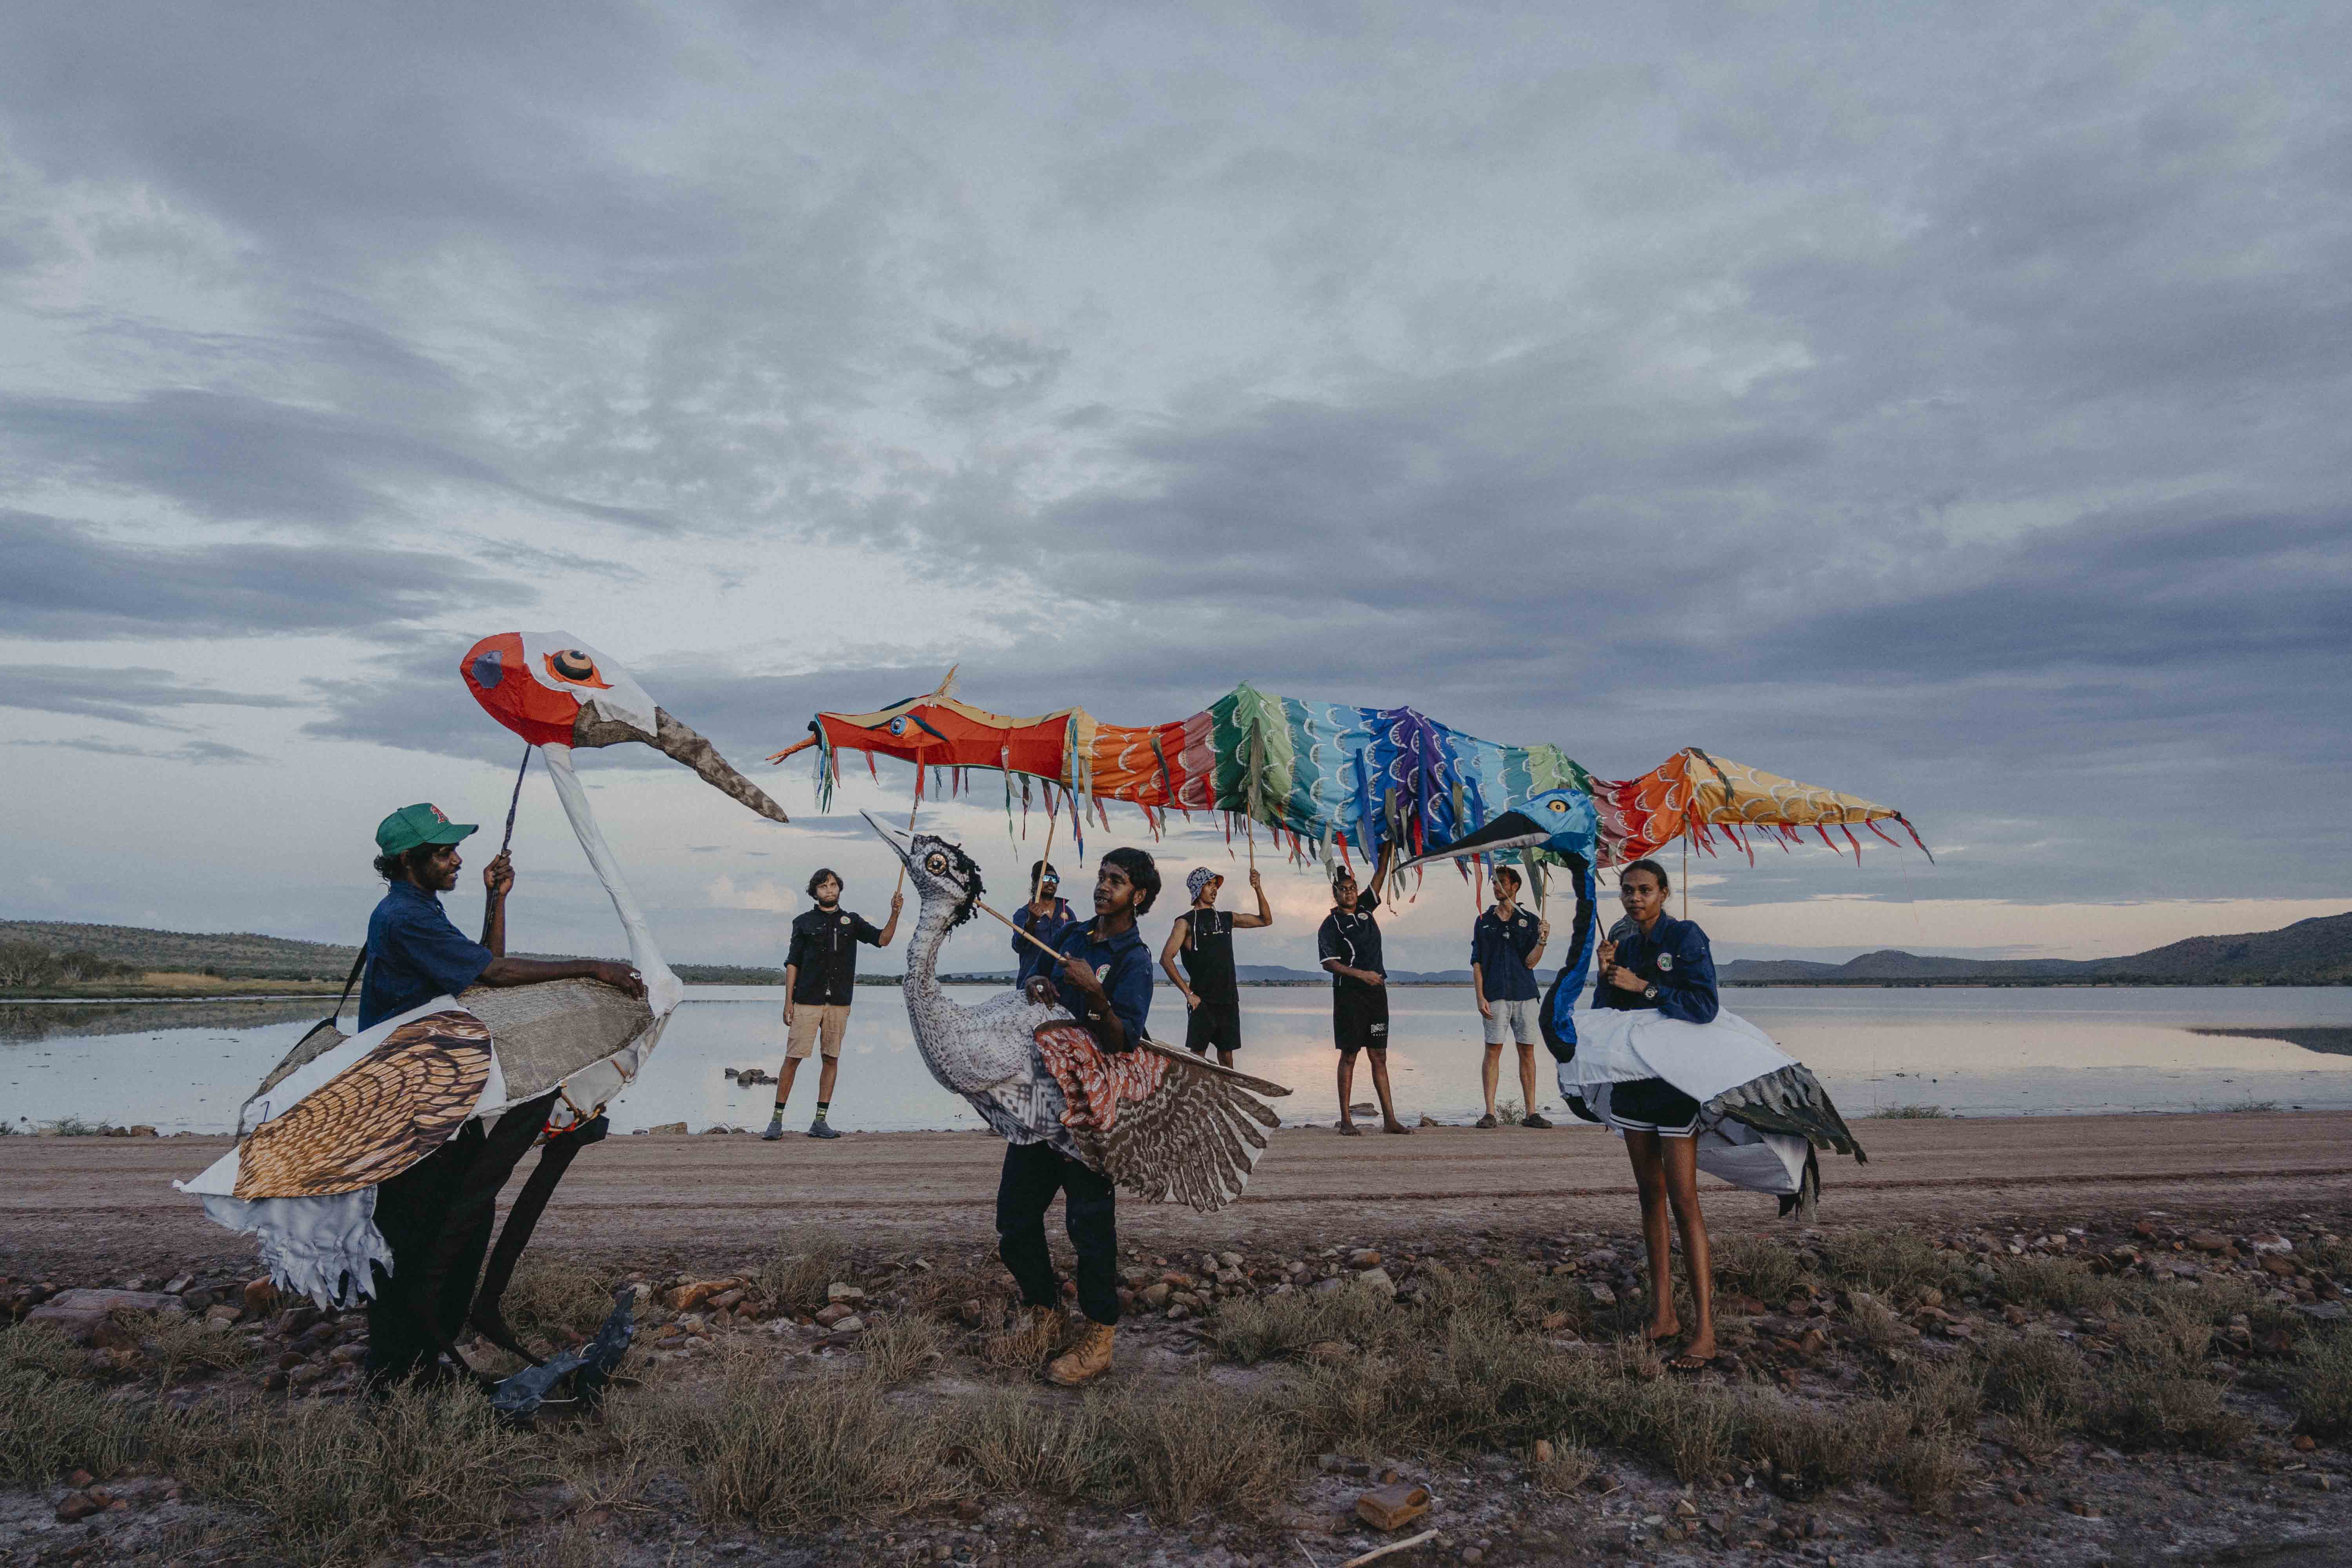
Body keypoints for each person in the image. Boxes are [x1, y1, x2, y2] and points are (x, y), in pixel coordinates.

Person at [360, 802, 646, 1391]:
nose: (457, 858)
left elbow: (480, 969)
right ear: (410, 861)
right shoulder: (404, 918)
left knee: (461, 1219)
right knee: (419, 1236)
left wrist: (497, 899)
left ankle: (424, 1359)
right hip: (408, 1105)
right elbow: (497, 978)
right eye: (444, 852)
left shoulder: (420, 910)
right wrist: (594, 968)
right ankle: (395, 1373)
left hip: (434, 1096)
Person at [1006, 845, 1160, 1386]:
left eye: (1116, 881)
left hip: (1093, 1118)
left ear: (1137, 896)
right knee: (1014, 1218)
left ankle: (1099, 1338)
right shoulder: (1072, 937)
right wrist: (1039, 984)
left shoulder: (1135, 961)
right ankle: (1046, 1312)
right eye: (1101, 877)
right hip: (1042, 1103)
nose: (1103, 886)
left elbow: (1122, 1042)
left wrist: (1095, 993)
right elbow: (1038, 987)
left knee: (1089, 1227)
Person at [1592, 857, 1722, 1371]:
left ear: (1664, 892)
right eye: (1628, 891)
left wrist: (1643, 988)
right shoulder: (1621, 940)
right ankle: (1664, 1314)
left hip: (1674, 1084)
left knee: (1685, 1200)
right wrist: (1606, 974)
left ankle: (1705, 1330)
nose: (1635, 898)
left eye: (1645, 890)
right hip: (1633, 1083)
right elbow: (1607, 1011)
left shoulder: (1687, 937)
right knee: (1650, 1195)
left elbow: (1704, 1006)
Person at [763, 868, 901, 1140]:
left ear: (840, 889)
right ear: (814, 892)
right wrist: (788, 1002)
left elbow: (883, 940)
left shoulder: (852, 922)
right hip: (806, 1000)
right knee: (793, 1059)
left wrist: (895, 912)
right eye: (824, 886)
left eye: (834, 885)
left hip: (839, 1002)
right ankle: (776, 1121)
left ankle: (820, 1122)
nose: (830, 890)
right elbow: (793, 963)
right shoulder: (802, 922)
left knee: (831, 1058)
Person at [1317, 842, 1408, 1136]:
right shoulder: (1331, 924)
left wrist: (1388, 846)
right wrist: (1362, 975)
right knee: (1350, 1054)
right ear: (1335, 894)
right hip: (1349, 995)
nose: (1350, 893)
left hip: (1376, 995)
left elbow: (1381, 873)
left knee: (1379, 1055)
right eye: (1343, 889)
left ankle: (1390, 1120)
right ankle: (1346, 1120)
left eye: (1353, 888)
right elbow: (1329, 964)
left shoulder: (1367, 909)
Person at [1158, 865, 1270, 1067]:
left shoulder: (1227, 919)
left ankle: (1227, 1098)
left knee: (1227, 1057)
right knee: (1197, 1058)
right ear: (1197, 889)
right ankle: (1196, 1098)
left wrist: (1258, 888)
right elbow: (1166, 959)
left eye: (1215, 884)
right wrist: (1188, 993)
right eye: (1208, 884)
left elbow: (1265, 920)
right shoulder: (1185, 923)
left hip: (1228, 1000)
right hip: (1202, 1002)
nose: (1214, 888)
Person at [1470, 865, 1553, 1129]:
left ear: (1515, 886)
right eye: (1494, 882)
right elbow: (1478, 963)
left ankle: (1531, 1113)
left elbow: (1530, 963)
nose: (1496, 886)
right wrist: (1479, 996)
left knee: (1527, 1051)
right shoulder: (1483, 921)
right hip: (1495, 994)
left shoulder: (1529, 920)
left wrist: (1542, 941)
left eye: (1501, 882)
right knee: (1493, 1049)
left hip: (1525, 993)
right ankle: (1490, 1113)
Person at [1010, 860, 1076, 991]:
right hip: (1031, 987)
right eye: (1046, 878)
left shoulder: (1067, 912)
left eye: (1055, 879)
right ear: (1035, 883)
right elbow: (1018, 946)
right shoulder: (1022, 914)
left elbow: (1076, 945)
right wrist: (1032, 921)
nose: (1051, 882)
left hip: (1062, 987)